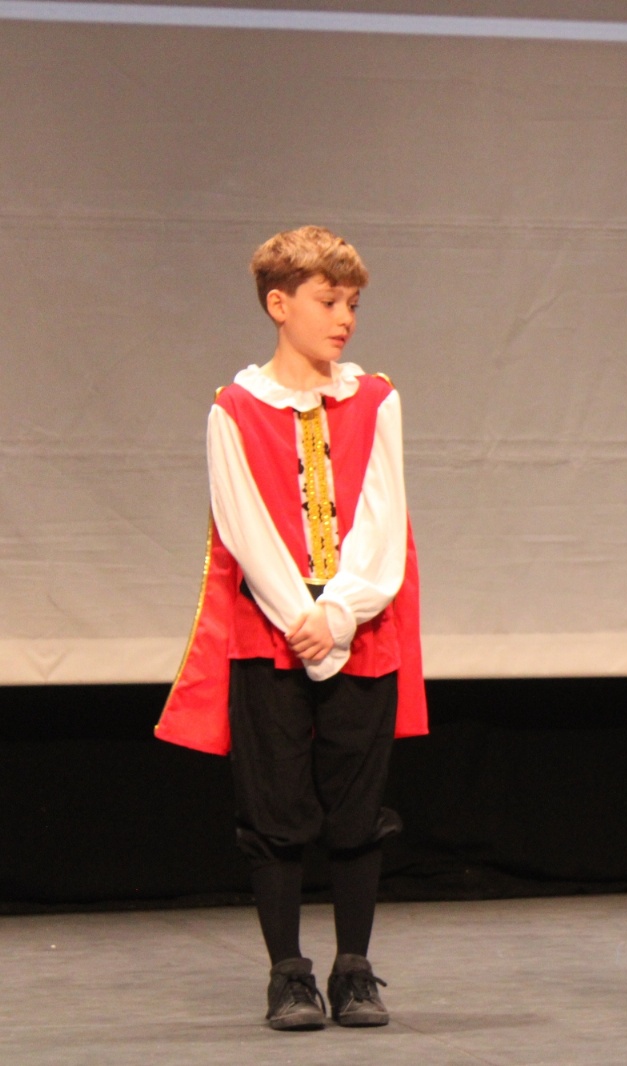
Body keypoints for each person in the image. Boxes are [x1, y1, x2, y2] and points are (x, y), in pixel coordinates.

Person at [156, 226, 427, 1031]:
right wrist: (300, 616)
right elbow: (241, 523)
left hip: (360, 625)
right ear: (280, 305)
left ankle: (354, 970)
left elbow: (384, 518)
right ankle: (289, 975)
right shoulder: (235, 409)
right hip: (269, 629)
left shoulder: (376, 400)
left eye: (352, 304)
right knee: (274, 812)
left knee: (357, 810)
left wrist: (339, 612)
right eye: (328, 301)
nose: (345, 318)